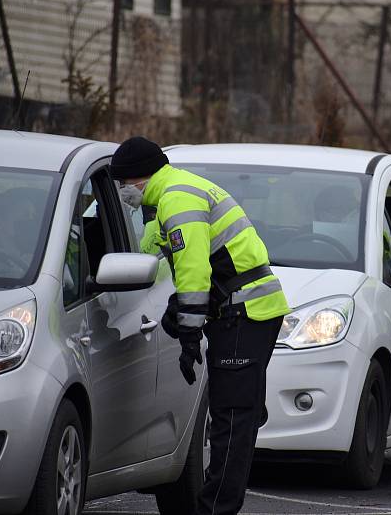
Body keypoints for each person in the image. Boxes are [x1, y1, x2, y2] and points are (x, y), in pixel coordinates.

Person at [110, 136, 290, 515]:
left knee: (231, 420)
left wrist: (190, 332)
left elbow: (193, 272)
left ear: (135, 178)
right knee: (235, 412)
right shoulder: (171, 196)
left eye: (121, 185)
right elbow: (163, 260)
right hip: (244, 310)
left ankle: (215, 510)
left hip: (245, 313)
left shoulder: (177, 199)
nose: (121, 192)